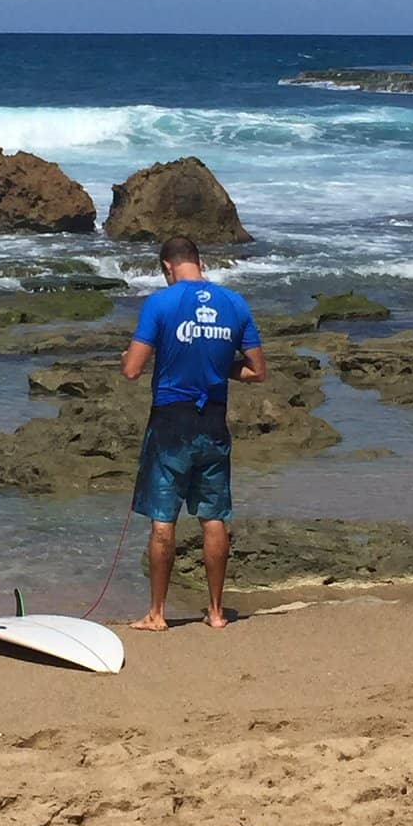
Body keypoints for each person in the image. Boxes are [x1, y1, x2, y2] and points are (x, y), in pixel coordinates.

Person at [121, 235, 266, 631]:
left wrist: (128, 358)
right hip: (214, 420)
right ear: (199, 262)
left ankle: (157, 613)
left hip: (171, 420)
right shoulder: (234, 303)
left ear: (167, 266)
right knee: (213, 516)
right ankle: (217, 612)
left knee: (163, 519)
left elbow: (132, 370)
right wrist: (222, 368)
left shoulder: (160, 303)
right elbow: (256, 371)